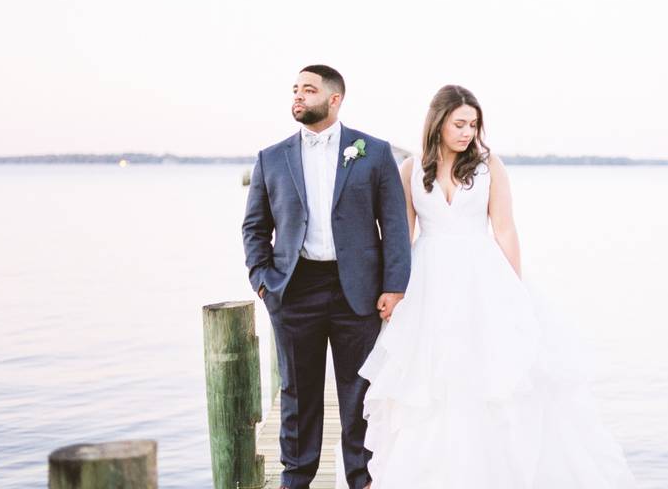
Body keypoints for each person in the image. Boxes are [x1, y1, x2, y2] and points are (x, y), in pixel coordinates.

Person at [355, 85, 635, 488]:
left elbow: (504, 229)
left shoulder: (488, 166)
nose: (468, 132)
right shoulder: (412, 169)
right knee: (431, 380)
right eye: (459, 123)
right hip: (428, 281)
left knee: (486, 371)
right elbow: (403, 235)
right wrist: (394, 288)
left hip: (481, 277)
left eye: (473, 124)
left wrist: (514, 291)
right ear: (438, 122)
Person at [242, 65, 411, 489]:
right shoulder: (271, 157)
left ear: (334, 99)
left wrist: (395, 286)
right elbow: (255, 227)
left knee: (360, 394)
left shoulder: (372, 151)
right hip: (294, 289)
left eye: (309, 89)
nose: (298, 96)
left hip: (358, 291)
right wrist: (263, 281)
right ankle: (296, 478)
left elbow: (393, 225)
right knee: (298, 395)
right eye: (295, 89)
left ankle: (363, 479)